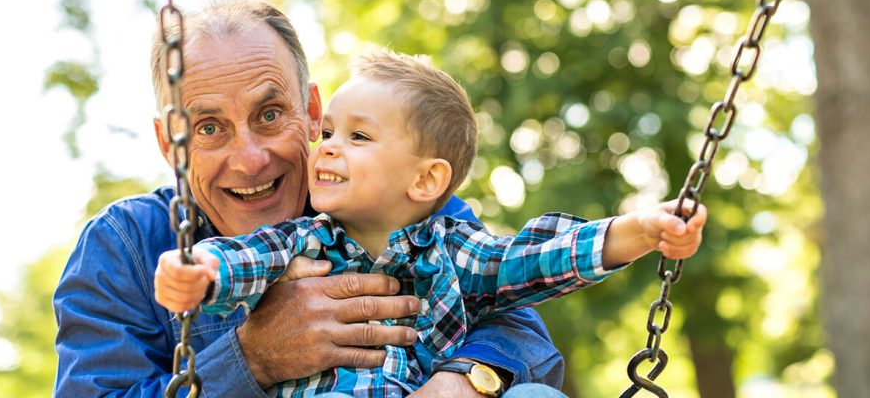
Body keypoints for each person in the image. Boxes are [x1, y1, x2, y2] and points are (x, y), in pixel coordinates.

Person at [52, 0, 565, 397]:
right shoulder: (126, 245)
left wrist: (462, 380)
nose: (250, 159)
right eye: (210, 128)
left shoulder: (386, 199)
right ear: (172, 146)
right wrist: (252, 358)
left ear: (313, 112)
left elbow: (519, 323)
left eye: (270, 114)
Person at [154, 50, 708, 397]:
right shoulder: (302, 239)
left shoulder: (455, 250)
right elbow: (246, 258)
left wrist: (639, 231)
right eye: (327, 135)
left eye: (358, 137)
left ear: (424, 182)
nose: (326, 150)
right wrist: (198, 269)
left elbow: (535, 258)